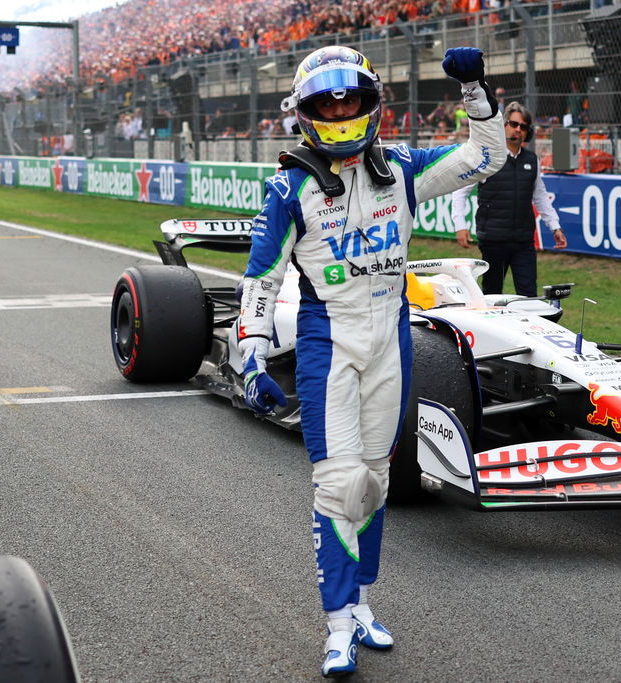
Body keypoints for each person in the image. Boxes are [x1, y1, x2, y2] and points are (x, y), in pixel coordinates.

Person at [236, 45, 505, 678]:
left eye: (348, 97)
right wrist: (250, 354)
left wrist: (475, 91)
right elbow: (260, 280)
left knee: (377, 483)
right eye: (325, 101)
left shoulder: (403, 167)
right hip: (328, 346)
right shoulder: (288, 187)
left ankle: (359, 603)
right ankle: (335, 626)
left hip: (392, 340)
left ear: (369, 103)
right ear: (303, 112)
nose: (338, 110)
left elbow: (487, 155)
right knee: (340, 484)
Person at [450, 101, 566, 296]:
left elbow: (540, 196)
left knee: (529, 296)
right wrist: (460, 225)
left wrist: (555, 226)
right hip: (493, 240)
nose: (518, 130)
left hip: (523, 240)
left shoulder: (531, 160)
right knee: (492, 295)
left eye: (523, 126)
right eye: (513, 124)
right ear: (503, 126)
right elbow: (460, 191)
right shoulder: (487, 158)